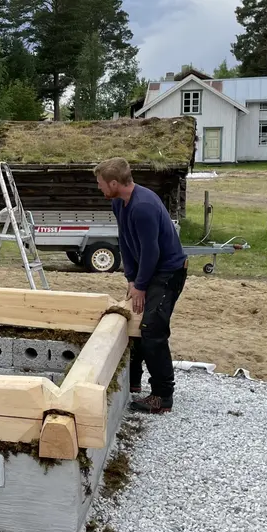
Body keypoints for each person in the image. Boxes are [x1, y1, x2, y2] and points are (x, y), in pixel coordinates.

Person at [94, 157, 188, 414]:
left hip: (168, 272)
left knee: (153, 330)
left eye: (101, 183)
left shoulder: (143, 206)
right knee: (135, 319)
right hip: (149, 271)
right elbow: (125, 239)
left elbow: (151, 251)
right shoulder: (119, 203)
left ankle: (162, 396)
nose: (99, 188)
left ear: (115, 182)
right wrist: (132, 279)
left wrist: (142, 285)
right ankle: (133, 381)